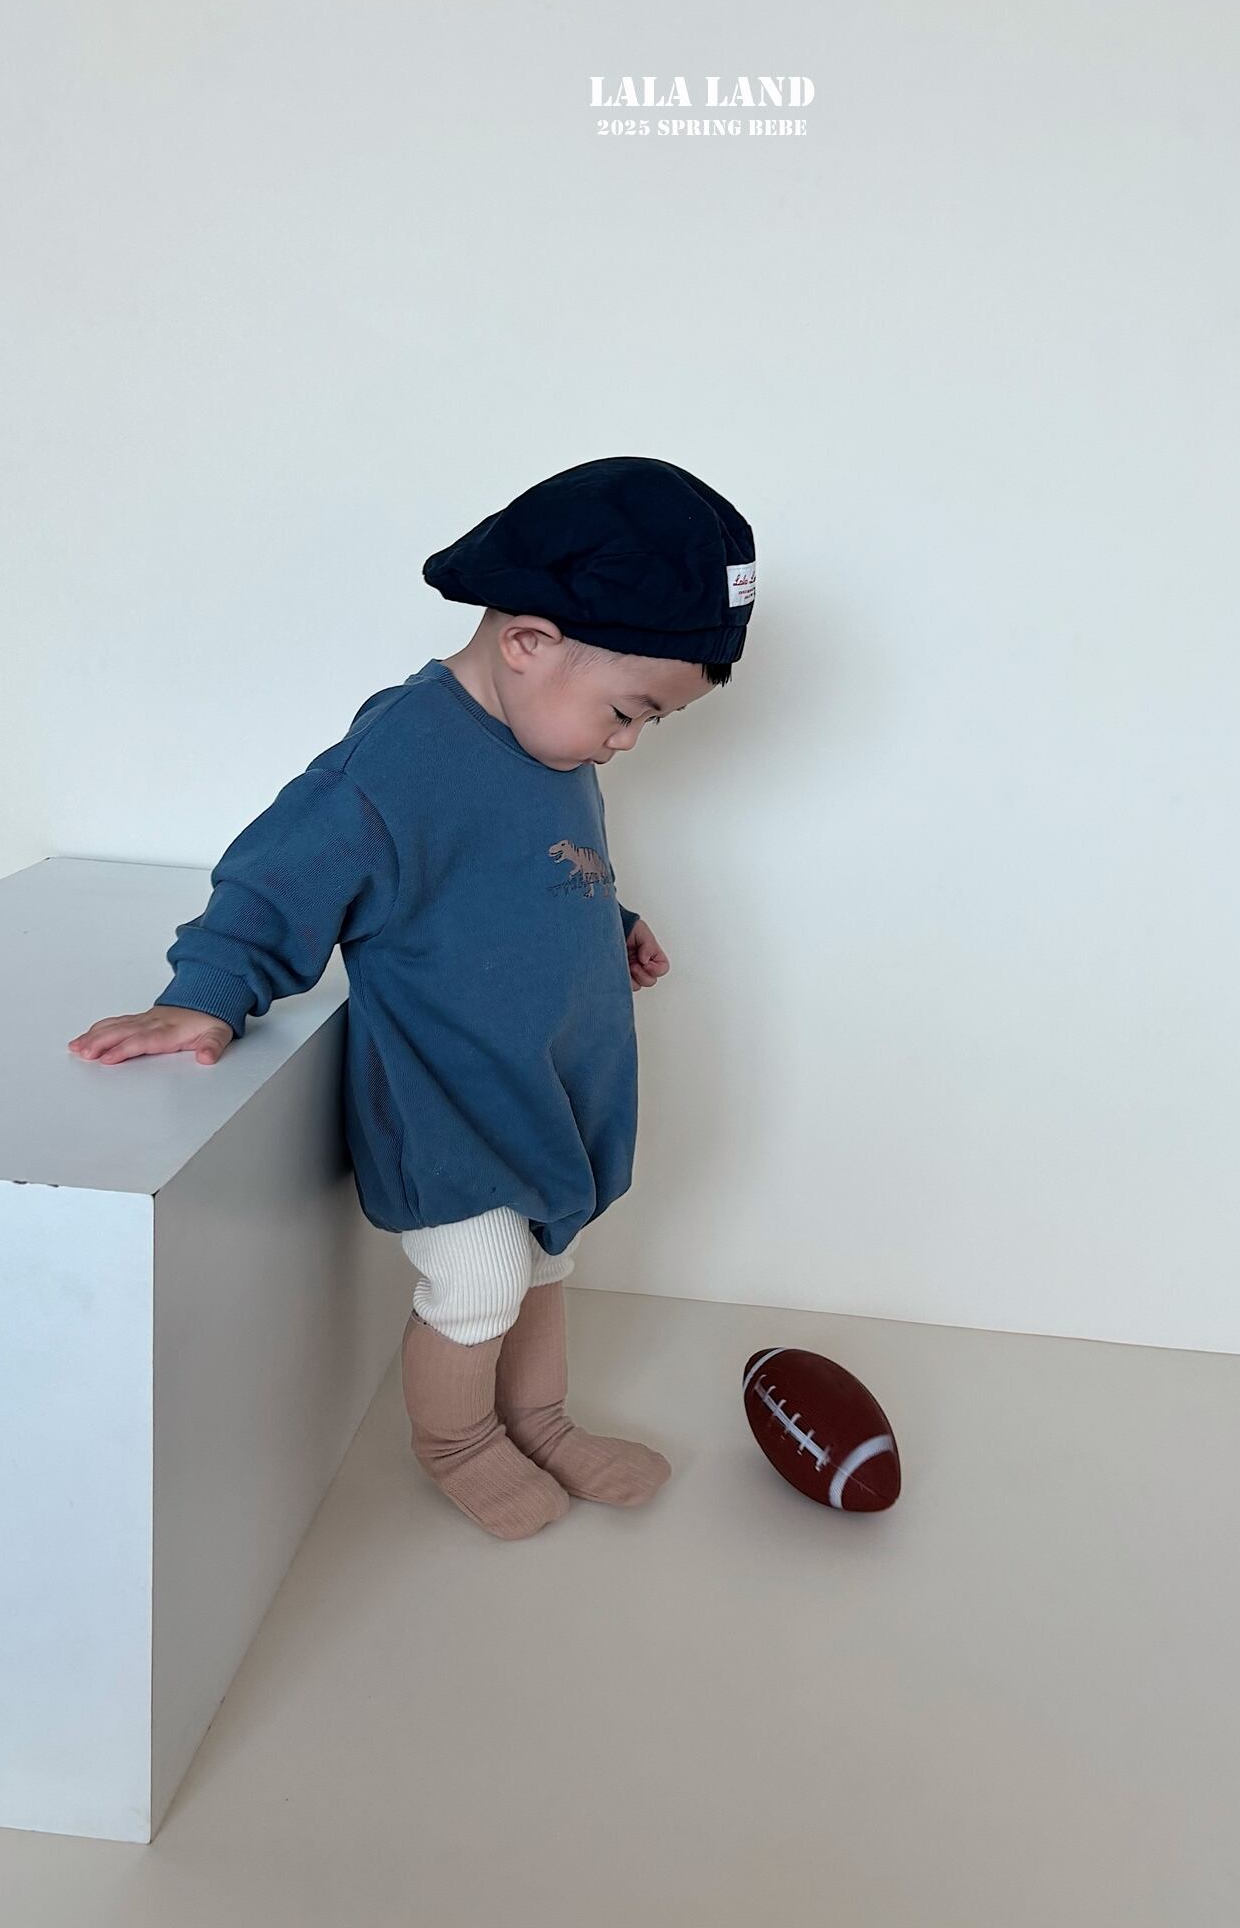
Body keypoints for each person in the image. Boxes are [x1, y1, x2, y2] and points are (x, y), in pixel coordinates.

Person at [66, 455, 756, 1541]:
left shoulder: (549, 738)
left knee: (546, 1262)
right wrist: (210, 990)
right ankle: (459, 1440)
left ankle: (541, 1418)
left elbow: (527, 867)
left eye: (649, 724)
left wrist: (610, 922)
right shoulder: (401, 754)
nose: (626, 742)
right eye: (629, 712)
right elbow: (283, 871)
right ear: (528, 641)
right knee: (479, 1280)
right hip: (453, 1099)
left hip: (546, 1088)